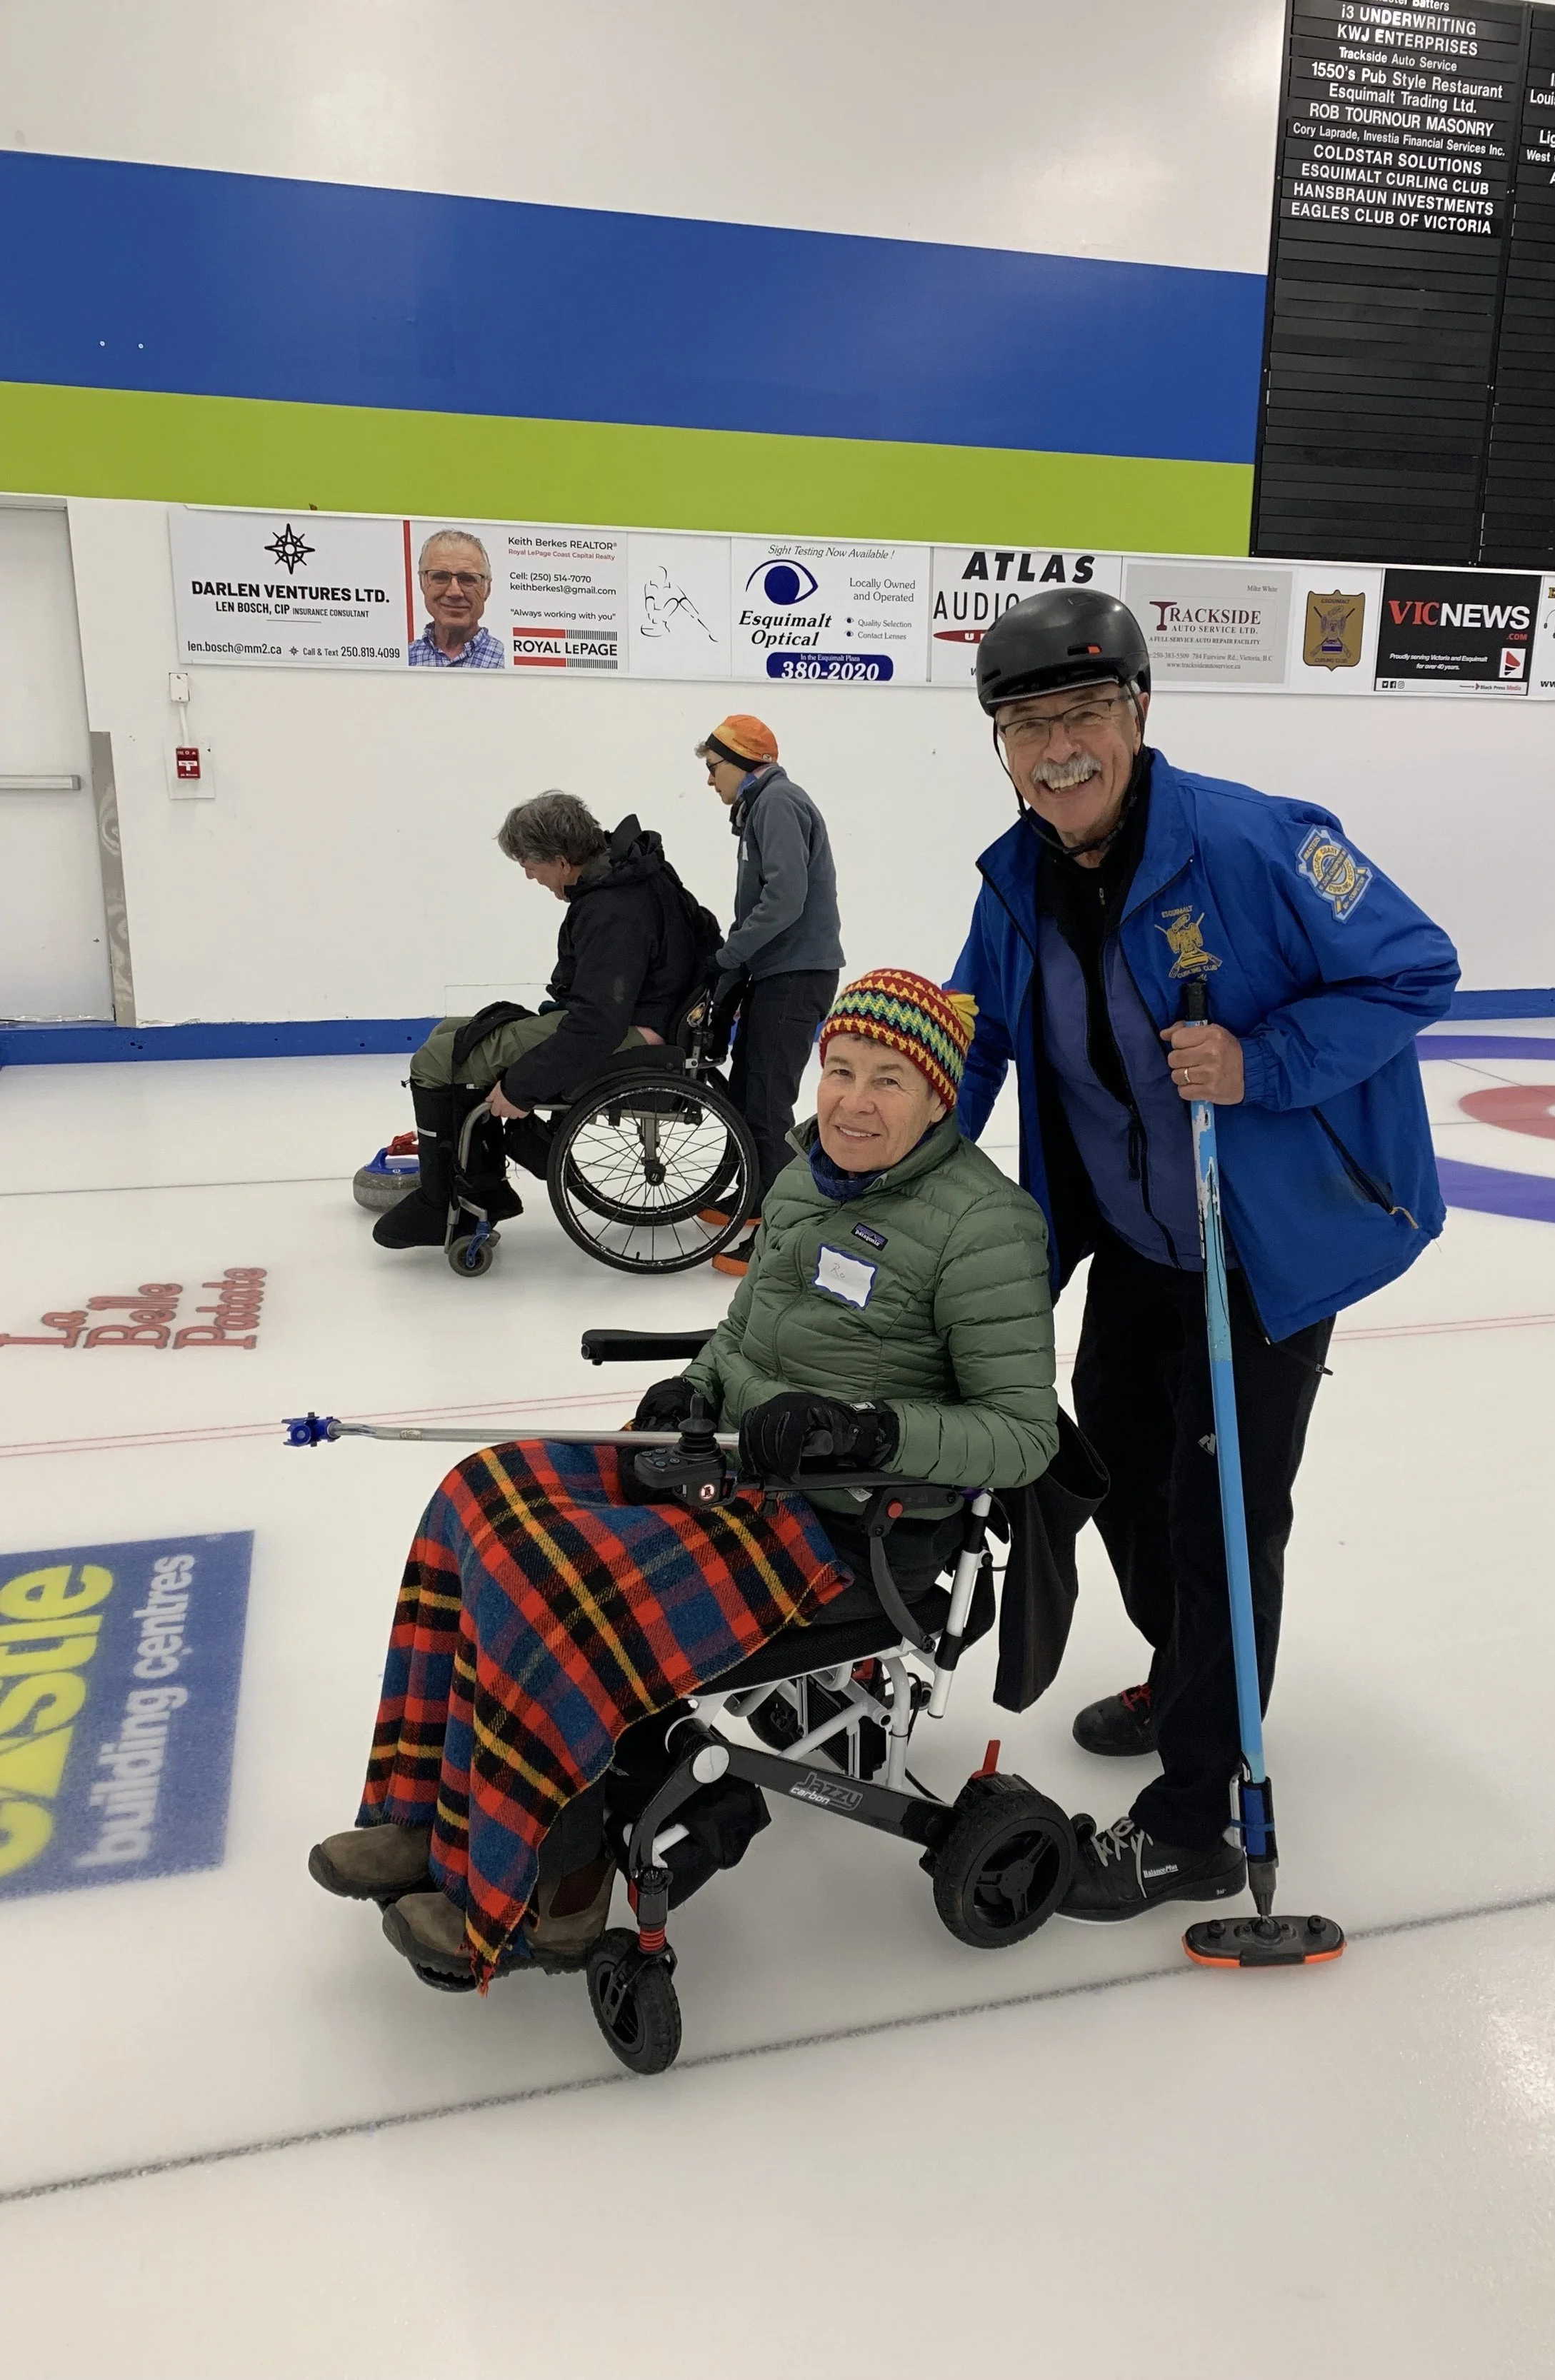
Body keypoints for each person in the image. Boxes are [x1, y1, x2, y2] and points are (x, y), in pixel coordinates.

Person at [309, 969, 1058, 1984]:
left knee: (553, 1584)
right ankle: (423, 1819)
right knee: (478, 1496)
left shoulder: (985, 1226)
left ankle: (555, 1900)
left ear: (939, 1097)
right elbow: (743, 1330)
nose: (853, 1100)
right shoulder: (805, 1172)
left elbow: (1020, 1438)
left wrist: (866, 1427)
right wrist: (693, 1387)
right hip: (729, 1470)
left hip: (845, 1531)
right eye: (840, 1070)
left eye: (888, 1079)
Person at [948, 587, 1459, 1923]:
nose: (1057, 746)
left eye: (1083, 712)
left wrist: (1259, 1060)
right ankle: (1193, 1670)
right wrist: (877, 1173)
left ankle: (1197, 1817)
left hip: (1263, 1239)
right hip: (1137, 1242)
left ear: (1140, 713)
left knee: (1220, 1507)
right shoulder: (1016, 885)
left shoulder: (1262, 842)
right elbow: (974, 1041)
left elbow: (1415, 967)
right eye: (1026, 723)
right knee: (1106, 1450)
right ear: (999, 745)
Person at [372, 789, 714, 1250]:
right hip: (637, 1016)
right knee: (450, 1032)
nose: (529, 874)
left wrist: (520, 1087)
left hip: (628, 1032)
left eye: (529, 864)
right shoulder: (630, 873)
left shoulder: (615, 909)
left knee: (435, 1060)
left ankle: (442, 1206)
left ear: (560, 860)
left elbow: (597, 1024)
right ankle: (477, 1187)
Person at [696, 715, 844, 1276]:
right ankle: (759, 1199)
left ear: (742, 762)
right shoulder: (762, 807)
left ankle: (785, 1236)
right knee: (747, 1091)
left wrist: (728, 957)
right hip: (779, 972)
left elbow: (784, 899)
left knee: (765, 1103)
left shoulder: (778, 803)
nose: (710, 781)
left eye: (713, 769)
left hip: (795, 974)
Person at [407, 528, 504, 668]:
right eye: (440, 577)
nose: (454, 592)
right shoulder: (404, 659)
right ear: (422, 583)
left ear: (487, 588)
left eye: (467, 579)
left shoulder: (508, 662)